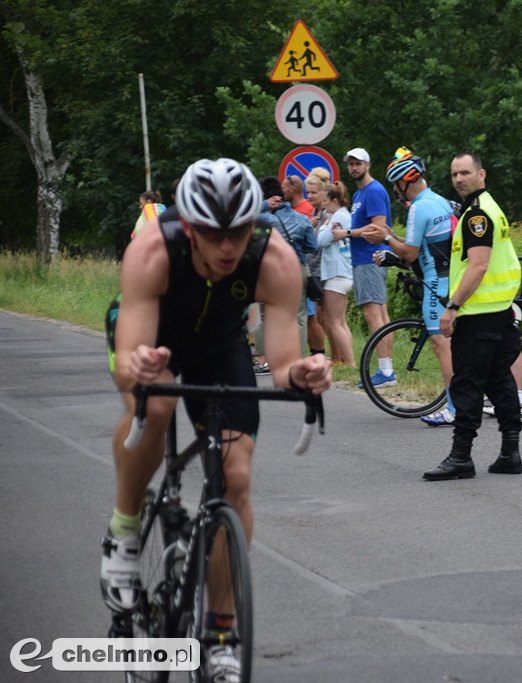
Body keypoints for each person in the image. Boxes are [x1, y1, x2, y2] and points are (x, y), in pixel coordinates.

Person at [100, 158, 332, 678]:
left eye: (239, 232)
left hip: (219, 344)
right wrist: (139, 367)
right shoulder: (152, 250)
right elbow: (131, 363)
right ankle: (125, 529)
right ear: (189, 226)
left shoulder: (275, 259)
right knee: (154, 404)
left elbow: (282, 365)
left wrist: (305, 374)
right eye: (212, 233)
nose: (228, 247)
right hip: (152, 334)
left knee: (235, 476)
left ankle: (221, 634)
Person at [423, 152, 522, 480]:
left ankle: (461, 456)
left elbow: (479, 265)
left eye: (465, 173)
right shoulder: (487, 207)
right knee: (499, 380)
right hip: (497, 311)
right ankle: (510, 452)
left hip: (479, 313)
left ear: (482, 174)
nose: (459, 179)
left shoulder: (477, 215)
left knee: (466, 382)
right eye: (454, 174)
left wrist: (452, 306)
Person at [371, 148, 456, 426]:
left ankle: (454, 409)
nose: (397, 192)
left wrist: (385, 238)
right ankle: (470, 400)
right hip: (451, 278)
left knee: (441, 344)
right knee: (455, 344)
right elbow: (424, 248)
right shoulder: (440, 200)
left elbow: (409, 252)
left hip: (435, 285)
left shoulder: (419, 207)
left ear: (405, 181)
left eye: (397, 186)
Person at [252, 175, 318, 372]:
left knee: (263, 315)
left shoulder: (262, 220)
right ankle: (298, 360)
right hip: (296, 268)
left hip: (268, 269)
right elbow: (313, 246)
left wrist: (263, 205)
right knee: (298, 315)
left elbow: (242, 218)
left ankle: (263, 361)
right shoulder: (302, 219)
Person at [345, 147, 395, 386]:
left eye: (358, 163)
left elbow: (379, 227)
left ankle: (386, 373)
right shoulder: (359, 194)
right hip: (365, 258)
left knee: (373, 314)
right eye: (351, 164)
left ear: (368, 164)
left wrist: (348, 232)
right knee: (381, 315)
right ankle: (386, 369)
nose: (354, 168)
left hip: (370, 257)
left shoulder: (373, 190)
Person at [318, 181, 356, 367]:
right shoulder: (345, 215)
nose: (323, 205)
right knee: (340, 321)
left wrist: (324, 226)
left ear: (334, 200)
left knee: (333, 321)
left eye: (326, 200)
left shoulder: (337, 218)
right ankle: (348, 361)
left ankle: (349, 362)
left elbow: (321, 241)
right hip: (344, 272)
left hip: (337, 273)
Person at [305, 169, 332, 357]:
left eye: (314, 193)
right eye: (308, 193)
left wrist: (312, 226)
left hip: (323, 268)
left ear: (324, 194)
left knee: (324, 316)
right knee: (317, 315)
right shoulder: (314, 212)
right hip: (313, 268)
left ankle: (335, 356)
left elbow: (321, 241)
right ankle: (322, 353)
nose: (310, 196)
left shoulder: (326, 213)